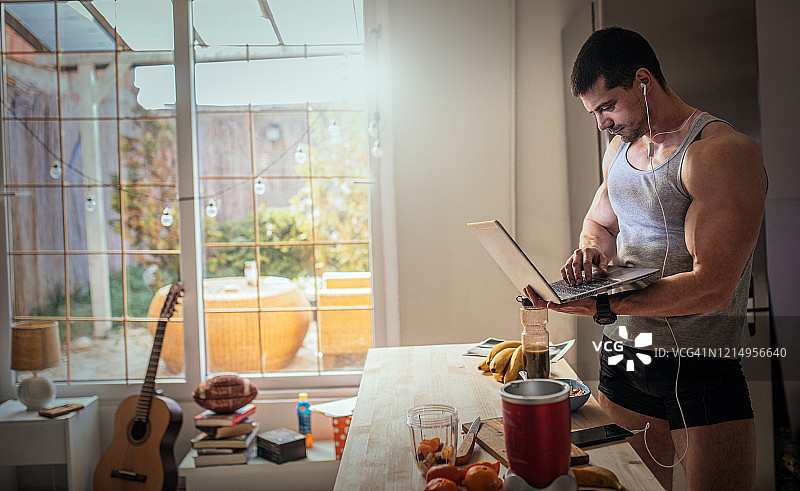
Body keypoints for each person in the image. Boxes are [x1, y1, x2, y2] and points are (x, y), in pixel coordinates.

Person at [523, 27, 766, 490]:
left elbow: (713, 288)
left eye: (607, 107)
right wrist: (592, 251)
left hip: (698, 367)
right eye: (594, 113)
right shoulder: (620, 149)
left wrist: (602, 304)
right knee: (624, 487)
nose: (602, 124)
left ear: (642, 81)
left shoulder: (718, 153)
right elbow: (600, 222)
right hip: (623, 359)